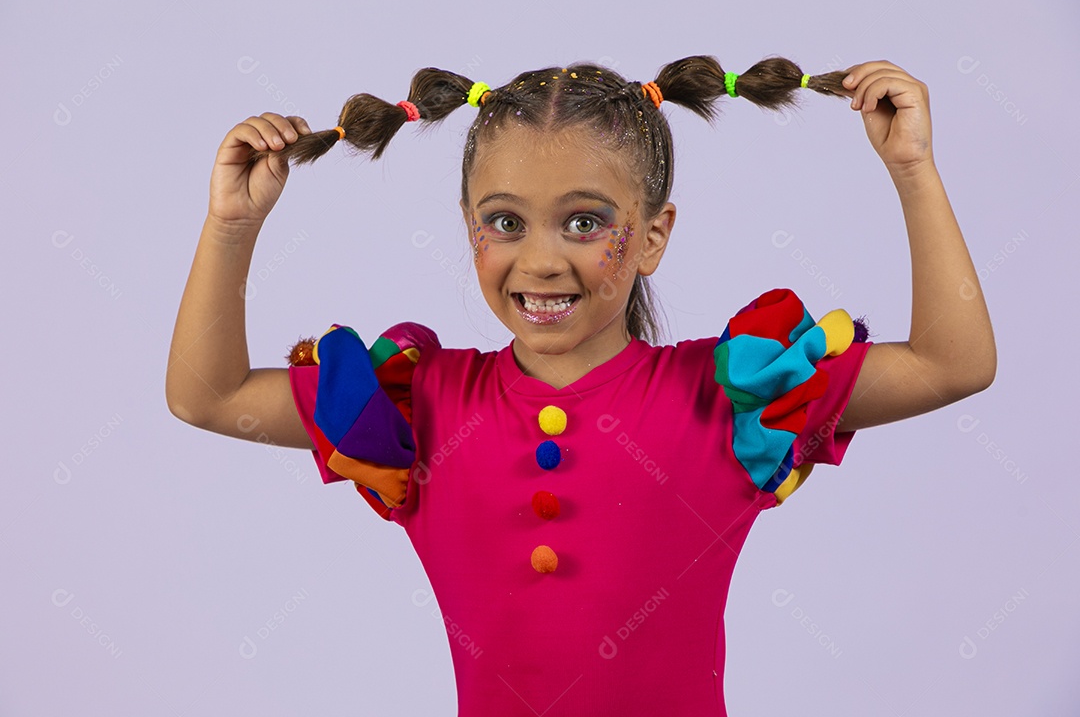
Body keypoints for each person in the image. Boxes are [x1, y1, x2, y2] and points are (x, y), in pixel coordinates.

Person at [166, 56, 995, 716]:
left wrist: (914, 171)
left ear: (653, 236)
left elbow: (952, 365)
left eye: (585, 221)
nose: (541, 260)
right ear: (469, 228)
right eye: (506, 222)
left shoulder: (727, 394)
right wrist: (232, 225)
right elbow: (207, 396)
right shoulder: (417, 409)